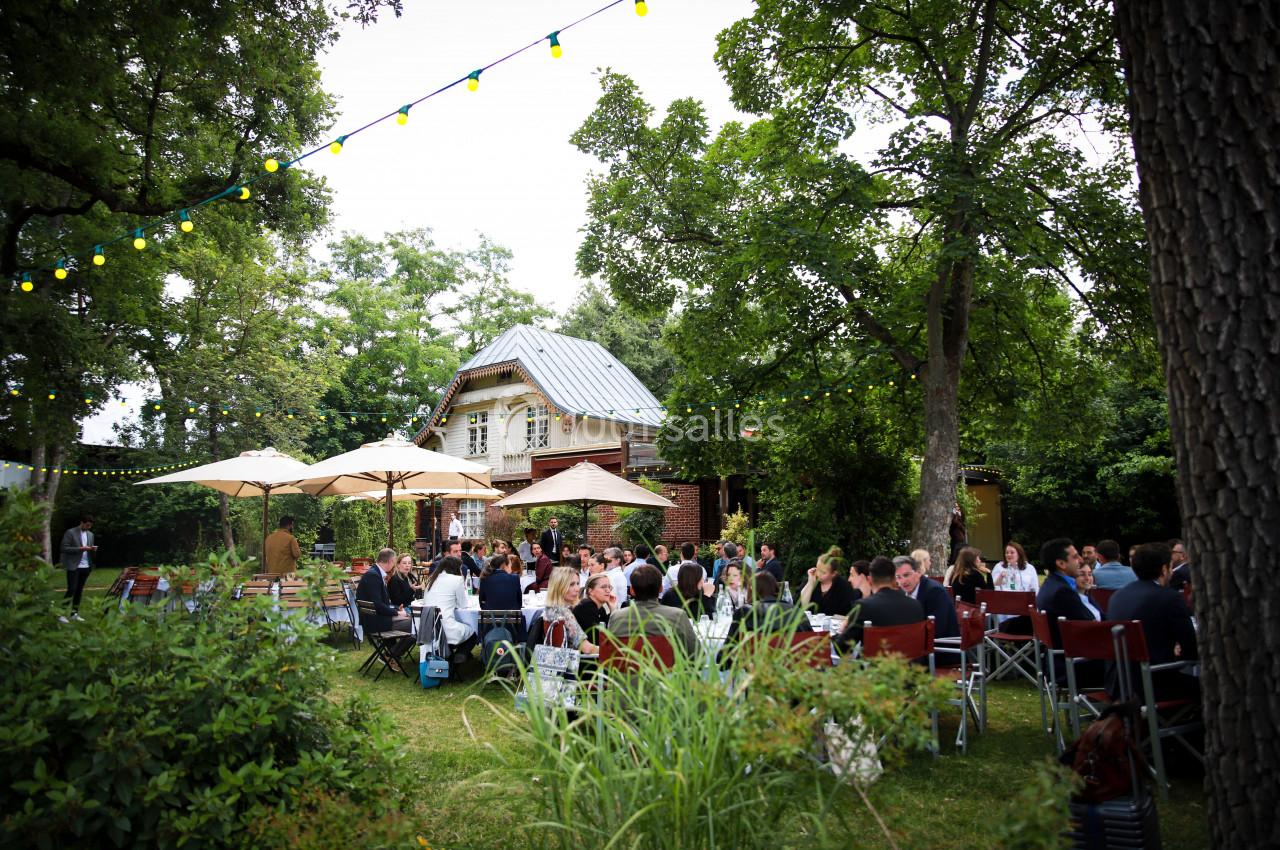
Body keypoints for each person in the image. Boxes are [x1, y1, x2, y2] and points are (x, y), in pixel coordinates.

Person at [1107, 542, 1199, 701]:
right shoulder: (1169, 598)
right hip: (1154, 684)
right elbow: (1191, 649)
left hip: (1118, 684)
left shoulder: (1117, 597)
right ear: (1164, 569)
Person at [834, 556, 925, 653]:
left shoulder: (863, 607)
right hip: (913, 666)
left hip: (878, 666)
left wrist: (842, 630)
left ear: (869, 580)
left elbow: (842, 649)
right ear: (894, 580)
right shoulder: (916, 605)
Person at [607, 564, 698, 657]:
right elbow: (696, 654)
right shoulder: (677, 615)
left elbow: (610, 654)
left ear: (631, 590)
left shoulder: (616, 617)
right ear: (661, 589)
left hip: (627, 670)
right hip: (667, 671)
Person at [1035, 538, 1101, 649]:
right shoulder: (1062, 592)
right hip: (1079, 657)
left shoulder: (1050, 584)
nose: (1080, 560)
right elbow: (1091, 623)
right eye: (1075, 557)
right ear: (1061, 563)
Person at [356, 548, 414, 670]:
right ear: (391, 561)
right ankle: (390, 655)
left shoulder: (374, 573)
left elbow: (381, 603)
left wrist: (396, 608)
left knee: (414, 623)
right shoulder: (373, 576)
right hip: (375, 622)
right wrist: (396, 612)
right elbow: (378, 605)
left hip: (377, 617)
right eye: (394, 562)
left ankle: (391, 654)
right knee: (416, 626)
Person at [421, 555, 478, 663]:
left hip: (429, 629)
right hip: (447, 629)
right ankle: (458, 657)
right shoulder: (457, 579)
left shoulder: (432, 579)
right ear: (456, 568)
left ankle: (449, 656)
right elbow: (463, 604)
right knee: (473, 631)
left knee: (463, 629)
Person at [895, 554, 959, 638]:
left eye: (906, 575)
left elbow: (938, 630)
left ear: (918, 572)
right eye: (898, 577)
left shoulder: (935, 591)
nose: (903, 581)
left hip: (942, 646)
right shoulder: (901, 592)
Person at [544, 567, 598, 653]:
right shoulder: (563, 612)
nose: (577, 589)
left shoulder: (549, 609)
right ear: (559, 586)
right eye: (571, 584)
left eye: (577, 583)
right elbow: (587, 648)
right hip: (572, 663)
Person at [59, 513, 97, 621]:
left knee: (79, 590)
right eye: (87, 525)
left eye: (90, 526)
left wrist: (92, 549)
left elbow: (88, 549)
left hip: (86, 566)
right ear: (82, 523)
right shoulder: (70, 532)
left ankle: (74, 613)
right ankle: (61, 614)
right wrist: (80, 549)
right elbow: (64, 548)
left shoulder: (90, 535)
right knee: (71, 589)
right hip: (74, 565)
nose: (88, 527)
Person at [799, 546, 856, 616]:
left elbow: (848, 613)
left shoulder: (844, 587)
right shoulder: (812, 579)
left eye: (823, 572)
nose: (818, 574)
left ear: (833, 574)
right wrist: (810, 583)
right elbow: (803, 606)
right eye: (817, 569)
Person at [573, 574, 614, 643]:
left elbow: (609, 631)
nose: (608, 590)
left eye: (609, 587)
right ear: (590, 591)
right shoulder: (586, 606)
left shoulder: (601, 609)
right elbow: (597, 639)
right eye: (603, 587)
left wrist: (613, 608)